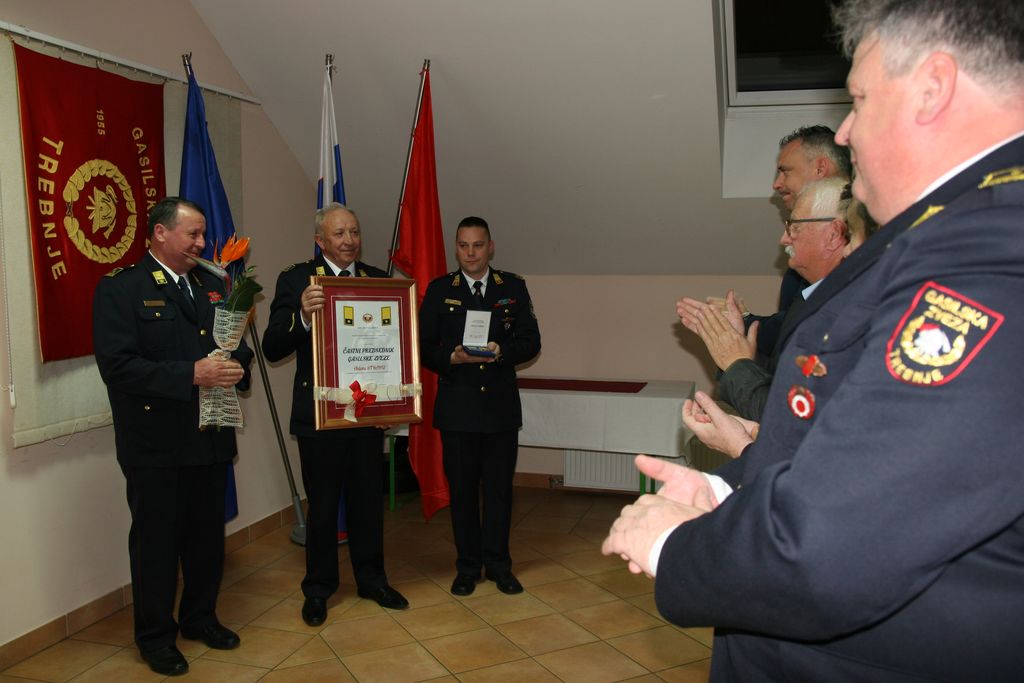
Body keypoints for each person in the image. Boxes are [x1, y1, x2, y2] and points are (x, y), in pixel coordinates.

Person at [604, 0, 1024, 680]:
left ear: (933, 87)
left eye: (859, 99)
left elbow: (838, 543)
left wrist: (673, 546)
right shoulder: (951, 228)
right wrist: (728, 489)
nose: (847, 131)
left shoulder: (989, 253)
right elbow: (862, 448)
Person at [93, 197, 253, 676]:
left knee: (206, 539)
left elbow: (237, 348)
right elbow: (118, 367)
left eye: (203, 235)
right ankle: (155, 637)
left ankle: (200, 618)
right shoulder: (122, 288)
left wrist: (236, 367)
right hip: (156, 442)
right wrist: (191, 374)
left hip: (210, 434)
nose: (202, 244)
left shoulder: (213, 285)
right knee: (157, 545)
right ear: (160, 233)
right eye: (193, 234)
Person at [261, 203, 408, 625]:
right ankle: (318, 589)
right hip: (319, 417)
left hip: (364, 415)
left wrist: (391, 405)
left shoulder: (378, 281)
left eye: (354, 232)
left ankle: (372, 580)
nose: (349, 241)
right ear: (319, 240)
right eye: (340, 233)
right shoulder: (297, 280)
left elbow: (393, 352)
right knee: (323, 508)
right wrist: (302, 316)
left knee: (367, 505)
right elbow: (273, 347)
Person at [419, 216, 541, 597]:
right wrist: (451, 358)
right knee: (463, 493)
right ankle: (468, 567)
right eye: (463, 245)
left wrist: (502, 351)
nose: (470, 253)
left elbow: (531, 341)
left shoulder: (513, 288)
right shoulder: (440, 290)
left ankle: (500, 565)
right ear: (455, 249)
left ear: (491, 247)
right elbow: (422, 345)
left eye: (477, 245)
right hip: (458, 409)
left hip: (500, 410)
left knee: (500, 492)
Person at [682, 177, 852, 422]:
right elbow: (778, 380)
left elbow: (786, 417)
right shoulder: (808, 299)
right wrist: (742, 351)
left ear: (834, 234)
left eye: (794, 226)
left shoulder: (846, 312)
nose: (784, 239)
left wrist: (737, 362)